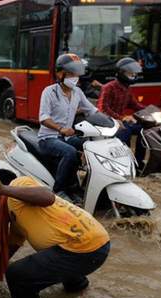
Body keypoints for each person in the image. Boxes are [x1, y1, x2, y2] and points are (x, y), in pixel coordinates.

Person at [0, 170, 110, 298]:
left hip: (84, 247)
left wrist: (3, 189)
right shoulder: (15, 221)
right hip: (92, 240)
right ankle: (78, 287)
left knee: (16, 275)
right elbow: (10, 249)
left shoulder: (19, 184)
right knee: (48, 256)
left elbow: (47, 196)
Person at [37, 53, 98, 204]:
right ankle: (59, 190)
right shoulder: (49, 92)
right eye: (71, 74)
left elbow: (91, 110)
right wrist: (60, 129)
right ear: (60, 74)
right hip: (48, 138)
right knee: (70, 152)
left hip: (67, 138)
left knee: (90, 146)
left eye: (76, 74)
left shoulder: (77, 92)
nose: (75, 77)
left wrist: (110, 121)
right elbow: (43, 117)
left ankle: (77, 188)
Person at [97, 58, 147, 168]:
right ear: (121, 73)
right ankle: (124, 163)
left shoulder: (127, 89)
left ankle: (139, 162)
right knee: (126, 131)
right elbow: (103, 109)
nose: (133, 74)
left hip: (121, 121)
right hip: (109, 122)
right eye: (130, 72)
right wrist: (121, 118)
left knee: (144, 130)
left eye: (134, 72)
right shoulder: (108, 88)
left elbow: (135, 105)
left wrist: (150, 112)